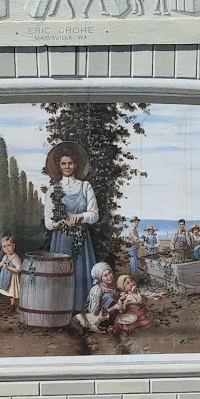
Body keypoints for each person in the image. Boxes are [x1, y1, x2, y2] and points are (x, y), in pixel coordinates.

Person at [43, 141, 99, 314]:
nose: (67, 167)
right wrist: (56, 223)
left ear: (76, 164)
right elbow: (47, 220)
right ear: (59, 166)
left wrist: (81, 216)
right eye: (63, 164)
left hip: (81, 239)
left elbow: (95, 215)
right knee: (61, 274)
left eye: (70, 163)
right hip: (61, 239)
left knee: (80, 273)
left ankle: (81, 311)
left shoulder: (85, 186)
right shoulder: (53, 189)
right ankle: (61, 312)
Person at [107, 274, 154, 339]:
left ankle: (127, 329)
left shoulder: (139, 292)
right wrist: (121, 303)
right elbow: (122, 308)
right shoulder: (127, 297)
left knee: (145, 322)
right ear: (124, 288)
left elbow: (147, 295)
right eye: (128, 283)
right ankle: (115, 330)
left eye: (132, 280)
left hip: (141, 315)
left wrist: (158, 295)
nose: (132, 283)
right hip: (131, 315)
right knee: (120, 322)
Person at [79, 262, 119, 332]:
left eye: (110, 273)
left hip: (108, 314)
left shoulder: (113, 284)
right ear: (100, 278)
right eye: (105, 275)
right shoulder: (97, 290)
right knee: (109, 297)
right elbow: (94, 313)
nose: (109, 276)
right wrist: (114, 307)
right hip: (95, 318)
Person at [0, 235, 24, 309]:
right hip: (5, 276)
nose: (7, 248)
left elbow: (18, 269)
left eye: (9, 245)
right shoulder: (5, 256)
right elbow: (2, 263)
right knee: (8, 291)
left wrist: (8, 267)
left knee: (12, 292)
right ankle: (12, 305)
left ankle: (14, 305)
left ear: (13, 246)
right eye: (4, 246)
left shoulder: (15, 258)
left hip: (13, 277)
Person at [121, 217, 144, 281]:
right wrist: (142, 240)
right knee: (134, 265)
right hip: (132, 248)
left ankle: (133, 279)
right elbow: (136, 239)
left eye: (137, 222)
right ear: (132, 223)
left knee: (134, 264)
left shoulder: (134, 230)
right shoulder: (132, 230)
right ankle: (134, 280)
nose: (136, 224)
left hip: (134, 248)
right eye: (135, 222)